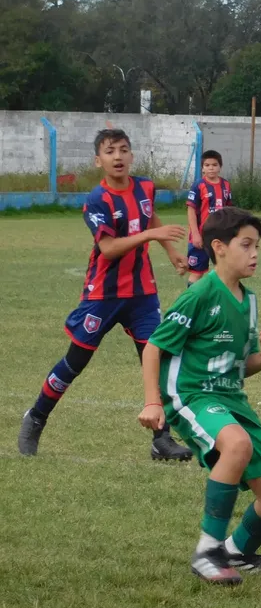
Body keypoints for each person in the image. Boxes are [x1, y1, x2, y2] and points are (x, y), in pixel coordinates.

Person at [18, 128, 192, 462]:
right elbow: (109, 248)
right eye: (110, 151)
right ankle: (36, 417)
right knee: (75, 361)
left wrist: (168, 250)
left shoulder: (144, 187)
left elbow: (148, 214)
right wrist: (153, 233)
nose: (118, 156)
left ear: (131, 156)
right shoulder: (97, 201)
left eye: (124, 150)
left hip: (142, 294)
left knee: (155, 358)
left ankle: (162, 439)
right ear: (99, 160)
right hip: (103, 296)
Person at [139, 207, 261, 585]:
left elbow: (240, 367)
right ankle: (208, 550)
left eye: (257, 246)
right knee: (236, 445)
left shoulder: (248, 301)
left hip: (231, 397)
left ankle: (236, 551)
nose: (254, 253)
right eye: (246, 245)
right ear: (219, 247)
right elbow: (154, 347)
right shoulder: (200, 294)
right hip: (191, 394)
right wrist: (153, 401)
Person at [185, 150, 234, 285]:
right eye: (207, 165)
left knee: (225, 269)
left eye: (214, 165)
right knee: (197, 273)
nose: (211, 168)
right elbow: (191, 210)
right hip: (201, 235)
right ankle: (192, 301)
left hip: (219, 236)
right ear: (202, 168)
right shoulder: (198, 185)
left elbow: (229, 210)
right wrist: (195, 234)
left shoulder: (226, 185)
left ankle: (220, 300)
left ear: (220, 167)